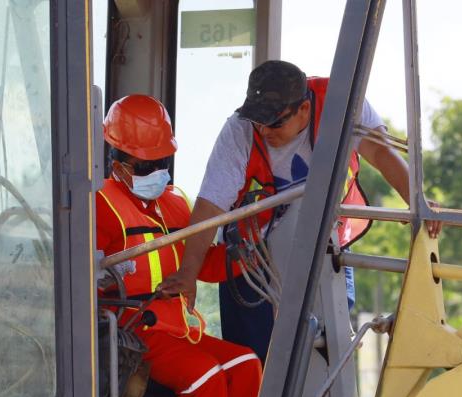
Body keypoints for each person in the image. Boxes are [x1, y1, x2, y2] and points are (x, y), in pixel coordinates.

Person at [159, 60, 440, 361]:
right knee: (254, 359)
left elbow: (381, 152)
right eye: (258, 120)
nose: (264, 130)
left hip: (325, 245)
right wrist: (188, 274)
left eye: (275, 122)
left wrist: (417, 202)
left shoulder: (341, 103)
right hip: (254, 257)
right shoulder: (239, 132)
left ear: (304, 109)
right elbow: (210, 206)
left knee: (328, 347)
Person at [96, 94, 262, 397]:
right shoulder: (101, 203)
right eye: (145, 165)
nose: (156, 171)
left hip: (178, 328)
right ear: (116, 162)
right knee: (204, 378)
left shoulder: (175, 202)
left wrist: (244, 253)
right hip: (134, 329)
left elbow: (200, 265)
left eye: (161, 161)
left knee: (246, 364)